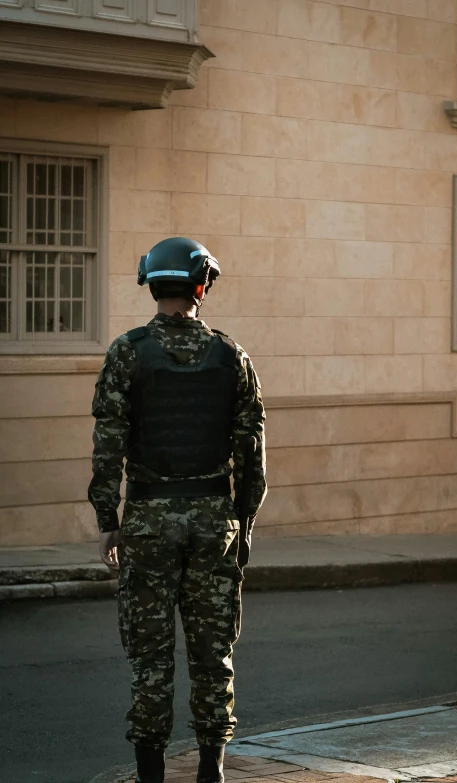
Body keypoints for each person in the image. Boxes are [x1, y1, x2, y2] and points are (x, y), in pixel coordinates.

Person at [88, 237, 267, 783]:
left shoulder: (127, 351)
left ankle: (151, 776)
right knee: (214, 656)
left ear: (151, 284)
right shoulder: (231, 355)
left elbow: (108, 444)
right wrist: (244, 521)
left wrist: (108, 521)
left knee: (151, 661)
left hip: (146, 523)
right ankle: (211, 773)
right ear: (201, 286)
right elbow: (252, 451)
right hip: (215, 519)